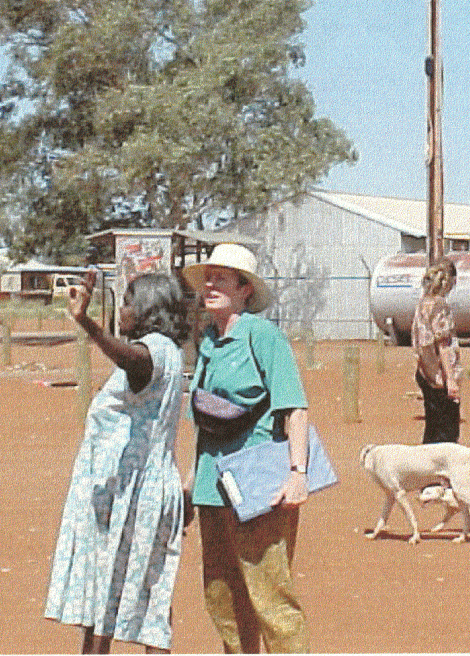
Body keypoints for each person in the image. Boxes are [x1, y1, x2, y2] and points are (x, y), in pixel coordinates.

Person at [44, 271, 190, 654]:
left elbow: (133, 360)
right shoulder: (168, 351)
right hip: (133, 492)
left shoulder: (153, 351)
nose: (121, 311)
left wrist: (86, 322)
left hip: (134, 496)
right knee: (142, 593)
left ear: (149, 310)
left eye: (127, 302)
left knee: (120, 593)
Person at [182, 243, 310, 654]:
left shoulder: (264, 336)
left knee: (271, 598)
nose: (211, 284)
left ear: (245, 290)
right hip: (211, 487)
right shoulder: (207, 342)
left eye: (222, 277)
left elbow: (294, 408)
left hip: (259, 484)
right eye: (208, 277)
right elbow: (204, 418)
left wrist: (298, 474)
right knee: (222, 598)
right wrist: (190, 482)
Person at [411, 257, 463, 444]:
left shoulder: (423, 304)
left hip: (425, 372)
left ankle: (427, 470)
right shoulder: (440, 306)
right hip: (439, 376)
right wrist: (450, 380)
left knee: (432, 427)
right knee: (447, 432)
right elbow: (443, 344)